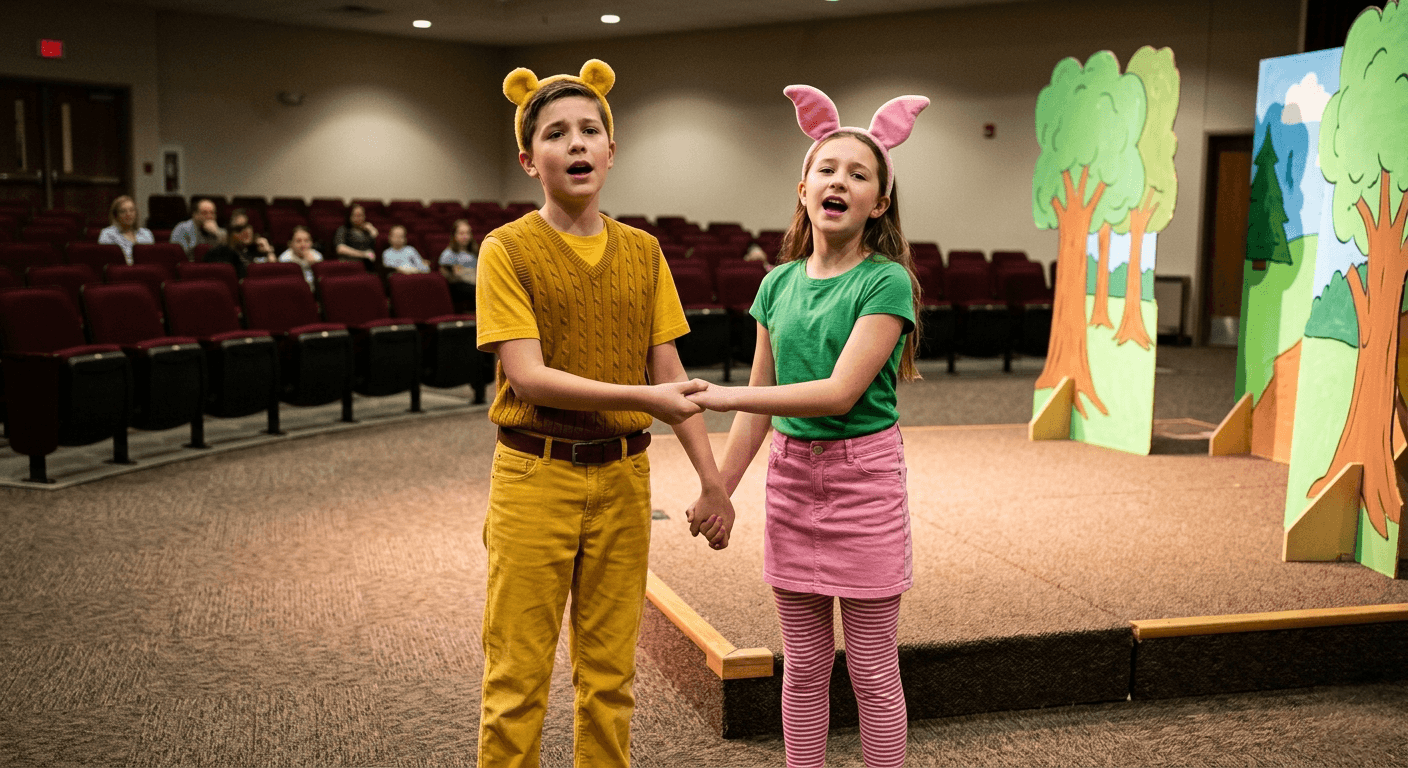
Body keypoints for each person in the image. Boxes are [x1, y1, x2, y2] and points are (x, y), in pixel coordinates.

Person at [475, 59, 733, 768]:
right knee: (517, 681)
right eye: (556, 133)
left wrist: (713, 482)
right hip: (535, 475)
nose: (578, 142)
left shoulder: (643, 252)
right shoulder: (507, 250)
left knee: (610, 680)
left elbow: (672, 378)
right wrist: (642, 400)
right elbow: (528, 376)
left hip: (624, 481)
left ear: (612, 151)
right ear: (530, 159)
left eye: (591, 129)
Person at [686, 85, 929, 768]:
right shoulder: (778, 283)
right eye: (828, 169)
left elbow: (837, 392)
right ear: (803, 188)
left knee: (874, 670)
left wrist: (727, 397)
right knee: (803, 665)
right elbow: (767, 399)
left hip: (864, 479)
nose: (840, 181)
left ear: (878, 203)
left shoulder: (886, 282)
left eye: (859, 175)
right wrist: (719, 488)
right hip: (793, 480)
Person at [203, 208, 274, 279]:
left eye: (247, 226)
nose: (246, 231)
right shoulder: (218, 254)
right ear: (229, 233)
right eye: (239, 229)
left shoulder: (256, 249)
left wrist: (268, 252)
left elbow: (274, 275)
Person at [97, 195, 154, 265]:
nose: (128, 214)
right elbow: (107, 261)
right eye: (123, 211)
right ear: (116, 215)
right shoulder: (107, 233)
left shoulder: (146, 233)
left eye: (132, 210)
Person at [439, 218, 478, 309]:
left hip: (475, 284)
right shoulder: (448, 254)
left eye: (468, 233)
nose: (466, 236)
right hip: (461, 289)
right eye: (461, 233)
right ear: (454, 235)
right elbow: (450, 278)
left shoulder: (473, 252)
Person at [334, 203, 378, 268]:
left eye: (360, 215)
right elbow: (340, 249)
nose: (358, 218)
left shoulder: (367, 231)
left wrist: (372, 230)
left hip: (367, 265)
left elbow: (375, 248)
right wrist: (363, 254)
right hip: (349, 264)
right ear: (350, 217)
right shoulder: (343, 230)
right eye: (355, 215)